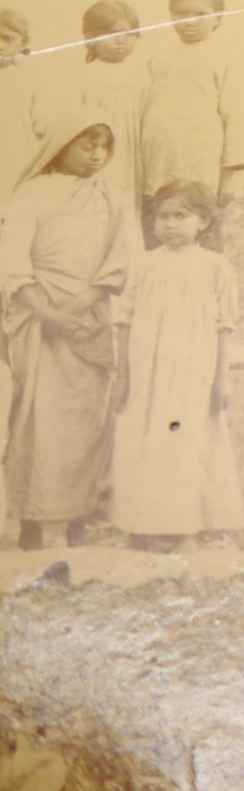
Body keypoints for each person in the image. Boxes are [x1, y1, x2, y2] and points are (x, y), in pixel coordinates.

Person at [0, 122, 139, 550]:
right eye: (87, 145)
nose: (96, 155)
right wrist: (47, 312)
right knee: (38, 419)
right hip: (37, 318)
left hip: (87, 318)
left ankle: (75, 517)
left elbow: (121, 262)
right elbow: (13, 258)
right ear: (62, 145)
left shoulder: (112, 197)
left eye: (104, 147)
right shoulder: (31, 193)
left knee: (83, 420)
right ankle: (35, 523)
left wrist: (76, 310)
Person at [110, 181, 244, 549]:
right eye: (162, 217)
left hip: (192, 371)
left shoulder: (215, 267)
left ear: (203, 221)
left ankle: (187, 528)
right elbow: (123, 320)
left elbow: (224, 327)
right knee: (144, 439)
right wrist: (123, 375)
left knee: (188, 441)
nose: (169, 225)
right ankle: (139, 527)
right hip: (147, 372)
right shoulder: (143, 265)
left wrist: (222, 378)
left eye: (180, 216)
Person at [139, 0, 244, 216]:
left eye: (200, 15)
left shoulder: (225, 58)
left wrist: (231, 179)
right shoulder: (157, 57)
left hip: (201, 156)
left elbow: (238, 117)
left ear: (218, 18)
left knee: (197, 214)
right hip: (158, 154)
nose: (189, 21)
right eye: (181, 14)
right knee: (157, 216)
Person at [36, 1, 147, 228]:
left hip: (131, 152)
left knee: (126, 205)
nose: (121, 41)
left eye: (130, 34)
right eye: (112, 34)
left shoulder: (143, 76)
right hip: (95, 152)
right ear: (90, 38)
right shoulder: (80, 76)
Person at [0, 10, 35, 206]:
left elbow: (43, 126)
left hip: (17, 160)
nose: (0, 45)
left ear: (23, 43)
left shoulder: (28, 81)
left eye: (8, 39)